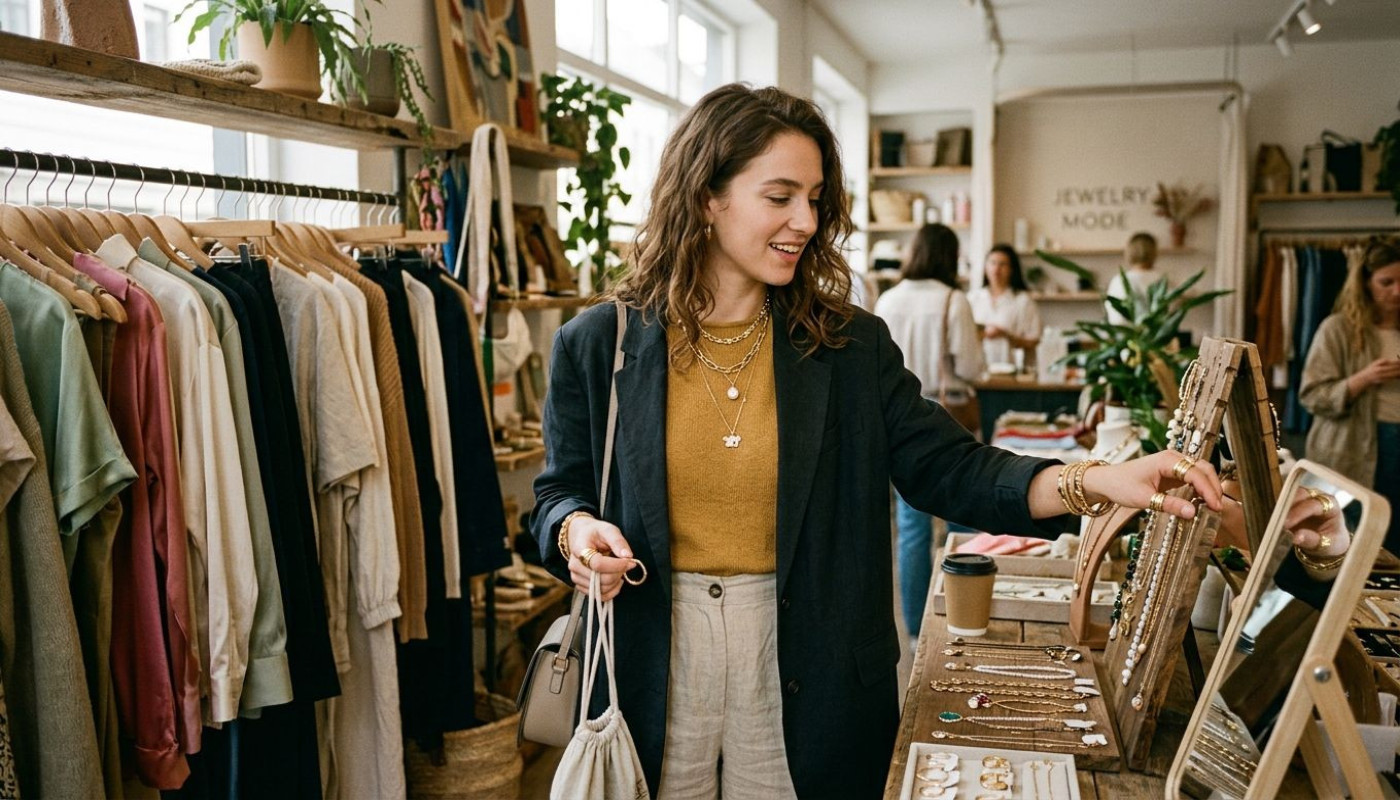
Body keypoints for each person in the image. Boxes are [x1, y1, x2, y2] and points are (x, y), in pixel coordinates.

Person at [530, 83, 1223, 799]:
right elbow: (557, 495)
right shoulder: (600, 346)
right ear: (708, 197)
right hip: (654, 657)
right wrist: (577, 530)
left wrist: (1098, 481)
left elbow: (953, 469)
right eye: (780, 196)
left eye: (815, 198)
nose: (805, 219)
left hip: (810, 658)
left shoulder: (846, 347)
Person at [873, 224, 983, 640]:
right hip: (945, 411)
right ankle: (962, 620)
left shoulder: (888, 299)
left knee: (911, 526)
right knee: (962, 518)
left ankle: (918, 632)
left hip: (895, 418)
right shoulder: (955, 300)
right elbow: (972, 369)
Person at [1299, 236, 1400, 552]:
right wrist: (1362, 379)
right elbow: (1312, 395)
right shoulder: (1338, 329)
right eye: (1387, 282)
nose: (1397, 291)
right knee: (1348, 546)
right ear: (1366, 282)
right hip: (1352, 452)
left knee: (1394, 547)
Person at [967, 244, 1042, 368]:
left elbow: (1034, 341)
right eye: (993, 263)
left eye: (1002, 264)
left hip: (1012, 371)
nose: (996, 269)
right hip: (978, 370)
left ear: (1011, 269)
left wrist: (1005, 335)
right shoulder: (973, 298)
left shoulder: (1023, 301)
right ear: (985, 267)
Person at [1105, 231, 1164, 325]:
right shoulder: (1163, 280)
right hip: (1157, 338)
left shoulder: (1119, 280)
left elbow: (1115, 318)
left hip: (1127, 336)